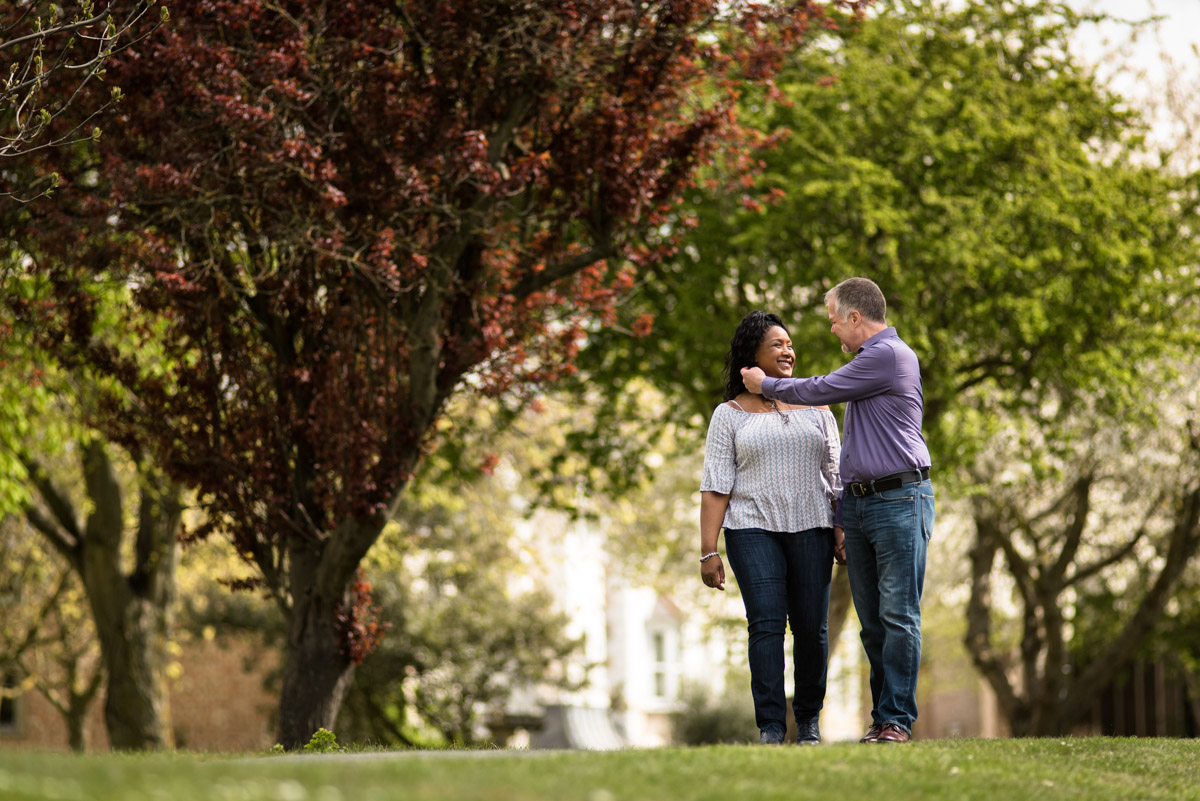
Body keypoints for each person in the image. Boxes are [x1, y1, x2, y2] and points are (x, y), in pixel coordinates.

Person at [741, 277, 934, 745]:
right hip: (865, 502)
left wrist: (765, 383)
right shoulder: (870, 364)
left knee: (898, 615)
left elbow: (820, 389)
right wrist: (845, 516)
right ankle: (882, 718)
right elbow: (850, 454)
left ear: (854, 317)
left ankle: (896, 721)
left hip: (900, 500)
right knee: (872, 622)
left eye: (833, 321)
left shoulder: (887, 356)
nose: (831, 331)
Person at [699, 310, 844, 746]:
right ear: (753, 354)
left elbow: (836, 474)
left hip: (812, 526)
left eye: (789, 344)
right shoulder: (728, 415)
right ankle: (771, 726)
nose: (788, 351)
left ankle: (809, 721)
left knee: (812, 628)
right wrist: (709, 550)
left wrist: (841, 527)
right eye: (777, 344)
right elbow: (715, 486)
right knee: (765, 624)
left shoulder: (818, 407)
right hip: (752, 529)